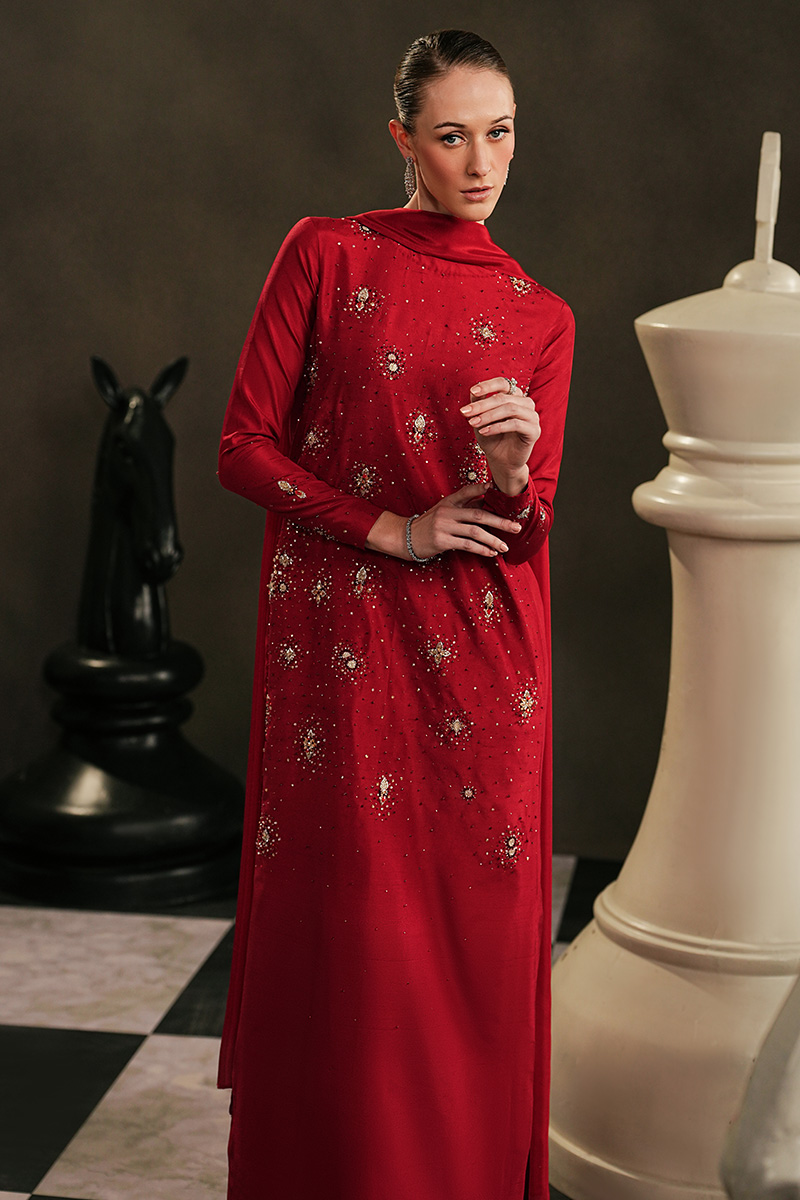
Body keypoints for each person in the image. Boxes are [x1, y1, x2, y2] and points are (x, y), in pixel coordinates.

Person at [217, 28, 574, 1200]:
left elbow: (525, 527)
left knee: (469, 945)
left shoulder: (541, 315)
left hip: (484, 666)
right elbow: (242, 445)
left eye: (499, 133)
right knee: (351, 943)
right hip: (343, 647)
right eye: (452, 135)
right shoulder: (326, 254)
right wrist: (388, 529)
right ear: (403, 141)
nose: (481, 162)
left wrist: (511, 473)